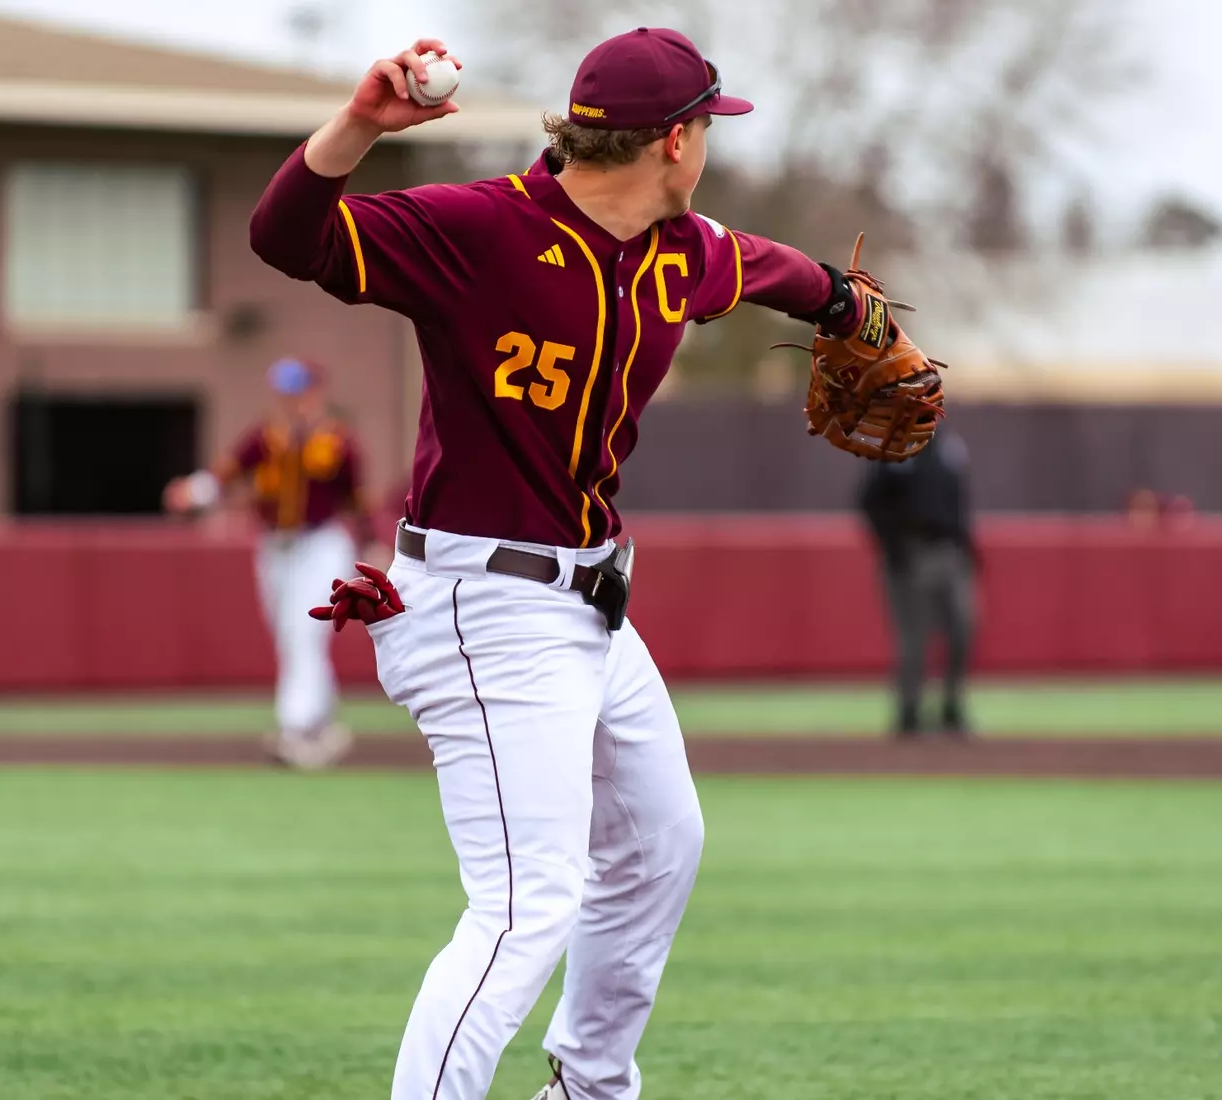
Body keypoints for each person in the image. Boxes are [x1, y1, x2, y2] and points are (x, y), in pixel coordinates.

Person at [249, 29, 899, 1100]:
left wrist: (841, 298)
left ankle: (589, 1088)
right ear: (678, 140)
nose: (711, 151)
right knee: (523, 905)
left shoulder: (677, 247)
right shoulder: (479, 226)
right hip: (482, 599)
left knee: (660, 842)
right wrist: (361, 124)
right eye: (709, 129)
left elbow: (768, 266)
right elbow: (288, 237)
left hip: (589, 604)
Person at [163, 357, 372, 769]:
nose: (290, 399)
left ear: (316, 392)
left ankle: (294, 728)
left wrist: (371, 546)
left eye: (298, 390)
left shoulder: (337, 441)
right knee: (290, 636)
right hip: (276, 546)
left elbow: (357, 501)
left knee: (302, 632)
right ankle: (322, 726)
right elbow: (224, 475)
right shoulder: (266, 436)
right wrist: (193, 493)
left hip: (322, 544)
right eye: (285, 391)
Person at [857, 423, 978, 737]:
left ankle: (951, 706)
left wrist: (967, 547)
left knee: (962, 629)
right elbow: (870, 501)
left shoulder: (950, 446)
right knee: (914, 639)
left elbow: (959, 501)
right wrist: (894, 547)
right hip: (912, 553)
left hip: (951, 551)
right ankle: (909, 711)